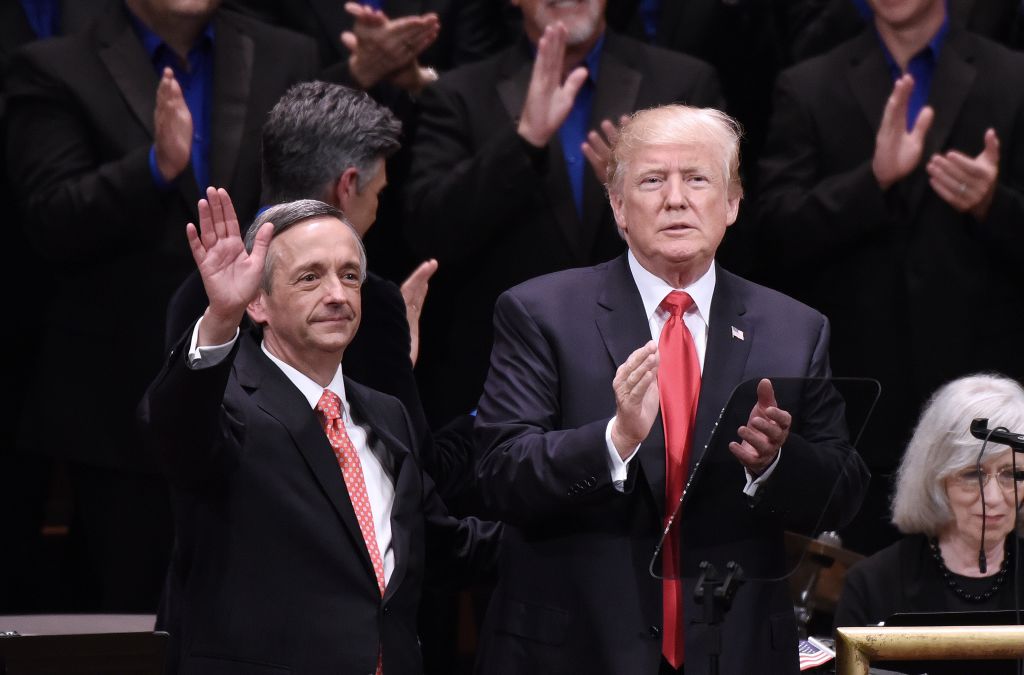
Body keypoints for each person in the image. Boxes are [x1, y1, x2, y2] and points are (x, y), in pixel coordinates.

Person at [473, 104, 870, 675]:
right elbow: (496, 474)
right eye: (653, 180)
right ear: (618, 207)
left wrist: (775, 464)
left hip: (734, 648)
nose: (676, 199)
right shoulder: (540, 312)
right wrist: (614, 439)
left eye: (698, 179)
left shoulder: (795, 328)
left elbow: (844, 492)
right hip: (576, 649)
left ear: (732, 204)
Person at [4, 0, 320, 611]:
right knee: (134, 620)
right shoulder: (53, 66)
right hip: (114, 406)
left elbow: (306, 206)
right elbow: (47, 220)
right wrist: (154, 167)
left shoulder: (289, 54)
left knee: (257, 613)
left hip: (261, 401)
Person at [140, 189, 499, 674]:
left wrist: (598, 488)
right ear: (258, 302)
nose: (336, 293)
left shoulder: (387, 415)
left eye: (350, 276)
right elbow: (179, 434)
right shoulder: (227, 403)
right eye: (310, 277)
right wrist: (220, 316)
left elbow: (443, 548)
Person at [756, 0, 1024, 554]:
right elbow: (772, 235)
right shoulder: (808, 83)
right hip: (860, 409)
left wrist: (993, 204)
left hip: (990, 405)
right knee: (861, 605)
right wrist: (869, 183)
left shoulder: (1012, 77)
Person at [404, 0, 723, 426]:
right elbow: (428, 232)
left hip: (655, 369)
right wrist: (523, 143)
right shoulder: (459, 93)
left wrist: (639, 196)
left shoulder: (681, 82)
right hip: (503, 381)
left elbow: (732, 231)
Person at [835, 373, 1024, 627]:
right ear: (936, 476)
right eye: (972, 474)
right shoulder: (872, 585)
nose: (993, 497)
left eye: (1013, 474)